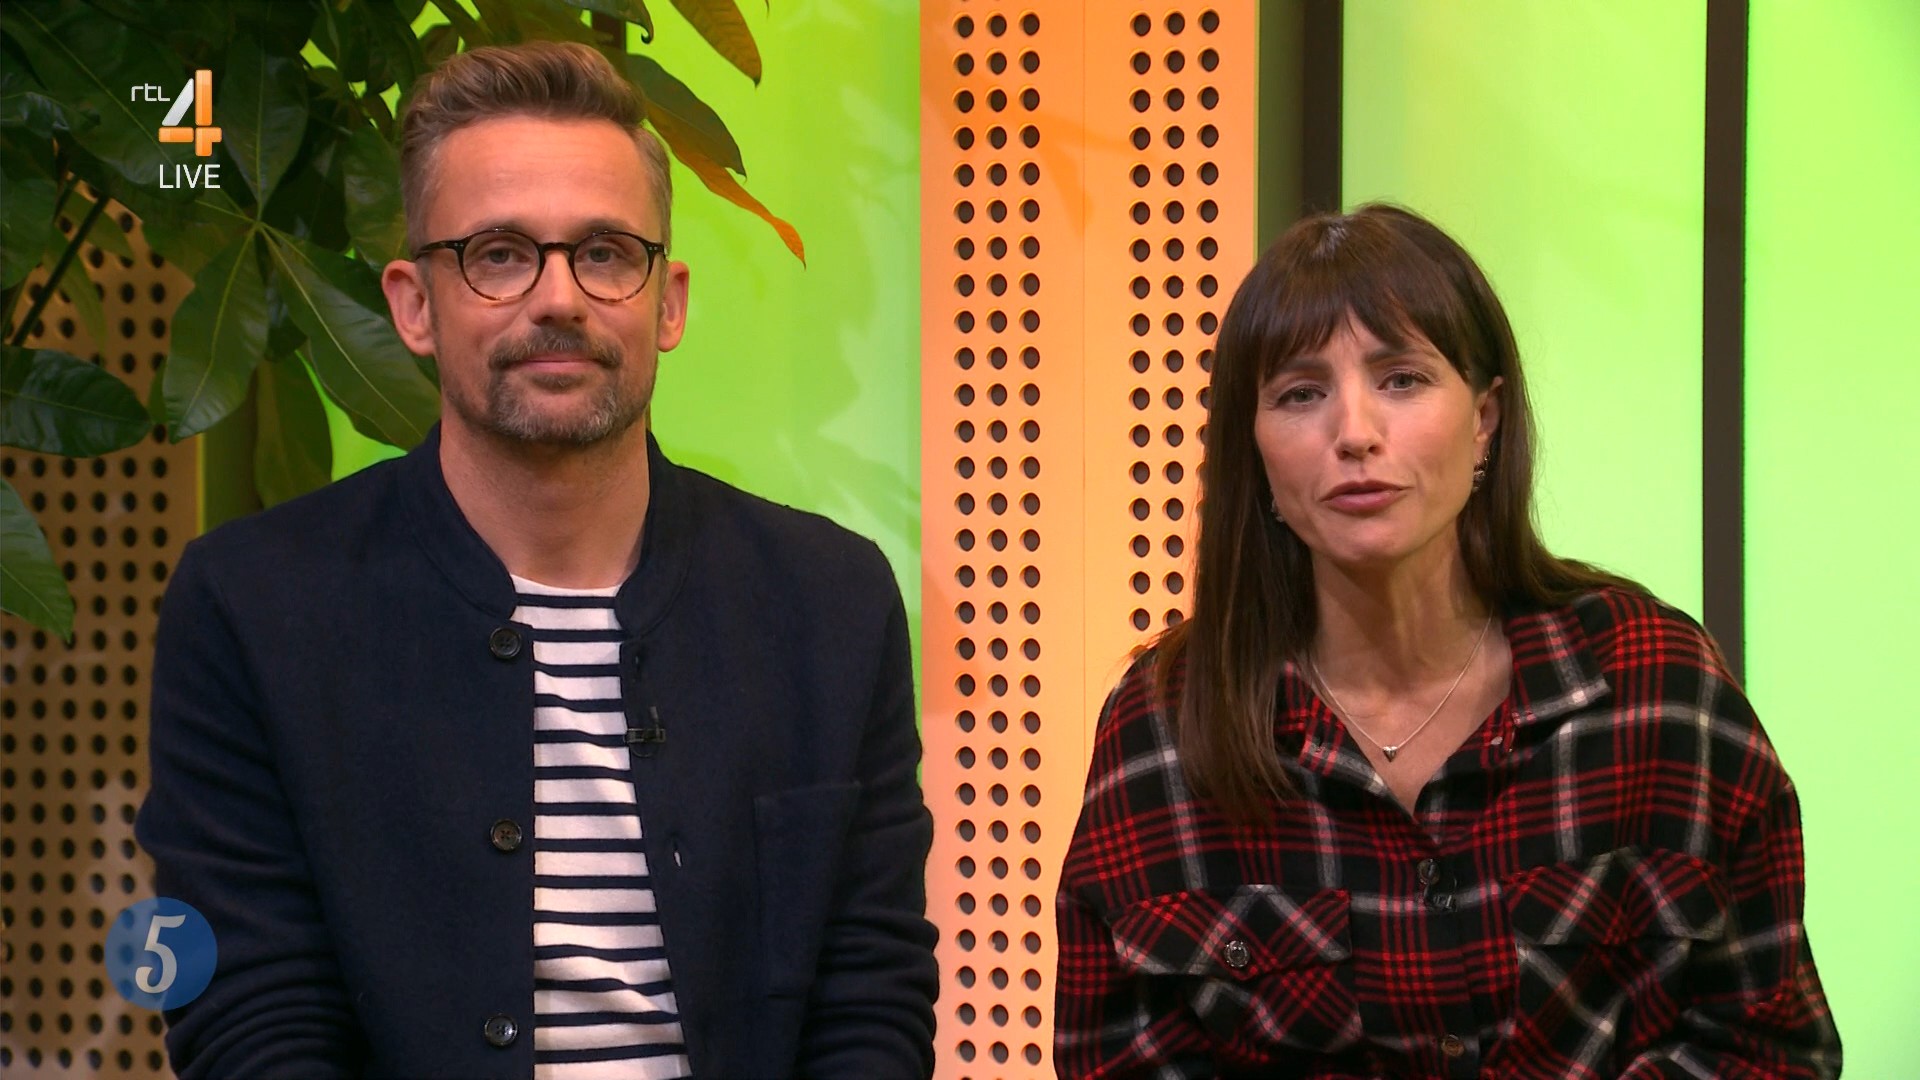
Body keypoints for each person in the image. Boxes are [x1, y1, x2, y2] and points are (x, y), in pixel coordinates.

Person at [137, 41, 936, 1079]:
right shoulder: (253, 605)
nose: (559, 298)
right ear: (413, 305)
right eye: (501, 254)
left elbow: (871, 1000)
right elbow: (251, 1019)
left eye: (604, 252)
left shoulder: (830, 602)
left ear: (669, 302)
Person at [1053, 205, 1840, 1078]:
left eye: (1402, 378)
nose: (1354, 433)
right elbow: (1118, 1061)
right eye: (1301, 394)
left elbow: (1767, 1045)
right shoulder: (1165, 727)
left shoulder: (1655, 687)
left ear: (1484, 419)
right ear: (1255, 449)